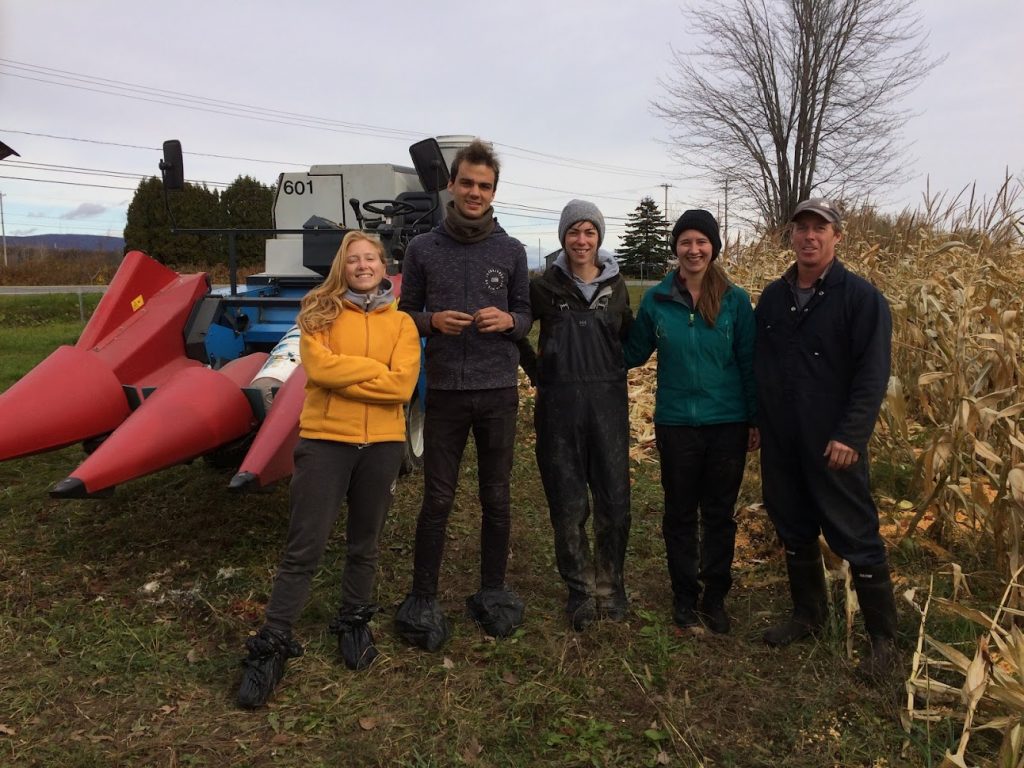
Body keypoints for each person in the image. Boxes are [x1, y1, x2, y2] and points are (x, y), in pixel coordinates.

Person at [236, 231, 421, 709]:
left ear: (384, 266)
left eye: (370, 259)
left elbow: (402, 387)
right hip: (325, 443)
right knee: (305, 546)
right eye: (353, 259)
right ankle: (273, 642)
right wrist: (371, 373)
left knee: (366, 542)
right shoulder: (318, 314)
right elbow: (318, 371)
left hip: (381, 445)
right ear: (343, 267)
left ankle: (354, 621)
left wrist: (349, 373)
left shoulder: (402, 323)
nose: (363, 265)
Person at [394, 139, 531, 649]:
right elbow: (404, 314)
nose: (476, 192)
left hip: (498, 392)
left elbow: (525, 315)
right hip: (447, 392)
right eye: (468, 182)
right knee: (437, 499)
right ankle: (423, 595)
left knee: (497, 497)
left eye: (485, 185)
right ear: (452, 184)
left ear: (495, 192)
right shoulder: (423, 248)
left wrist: (510, 320)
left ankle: (493, 590)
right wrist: (431, 321)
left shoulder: (512, 250)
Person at [755, 198, 897, 678]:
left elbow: (872, 374)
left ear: (837, 236)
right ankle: (808, 615)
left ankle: (884, 643)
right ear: (791, 236)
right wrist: (758, 421)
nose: (809, 236)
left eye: (820, 228)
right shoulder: (774, 298)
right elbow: (761, 366)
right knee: (793, 526)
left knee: (855, 534)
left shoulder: (860, 299)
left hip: (833, 443)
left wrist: (851, 435)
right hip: (782, 439)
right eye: (802, 228)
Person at [624, 209, 757, 634]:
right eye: (685, 242)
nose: (693, 249)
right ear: (676, 248)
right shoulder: (657, 300)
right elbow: (632, 353)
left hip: (727, 423)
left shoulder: (735, 301)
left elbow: (750, 363)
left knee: (719, 514)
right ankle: (684, 595)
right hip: (677, 423)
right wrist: (594, 328)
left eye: (701, 242)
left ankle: (715, 596)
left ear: (713, 247)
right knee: (680, 513)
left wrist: (755, 418)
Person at [518, 200, 632, 631]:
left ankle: (611, 587)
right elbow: (516, 331)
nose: (581, 240)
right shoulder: (543, 287)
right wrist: (539, 374)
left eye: (589, 232)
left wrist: (619, 370)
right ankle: (580, 591)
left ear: (599, 238)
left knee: (615, 503)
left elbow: (627, 337)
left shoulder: (617, 287)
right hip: (559, 410)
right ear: (563, 237)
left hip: (608, 407)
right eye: (573, 232)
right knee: (567, 505)